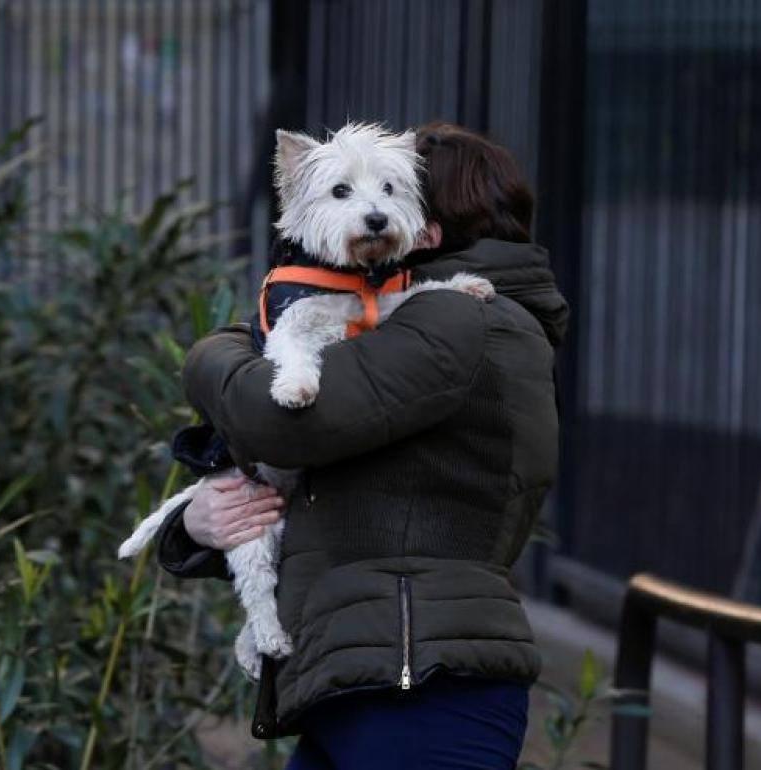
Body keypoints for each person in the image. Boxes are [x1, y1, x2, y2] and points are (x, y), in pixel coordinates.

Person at [153, 122, 568, 769]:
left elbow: (278, 420)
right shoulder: (450, 321)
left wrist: (210, 352)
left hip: (419, 685)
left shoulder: (457, 320)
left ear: (430, 224)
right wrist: (197, 524)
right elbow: (349, 495)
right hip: (374, 672)